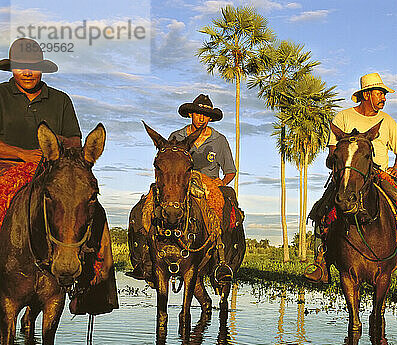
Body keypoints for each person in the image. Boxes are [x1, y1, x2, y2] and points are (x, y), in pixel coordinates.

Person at [0, 38, 118, 314]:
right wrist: (23, 154)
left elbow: (75, 142)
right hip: (5, 169)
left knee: (92, 209)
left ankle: (92, 287)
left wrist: (54, 150)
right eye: (20, 67)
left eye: (33, 67)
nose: (27, 73)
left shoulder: (60, 100)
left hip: (53, 170)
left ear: (41, 69)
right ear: (12, 69)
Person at [305, 72, 397, 284]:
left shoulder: (387, 121)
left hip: (380, 174)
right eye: (379, 93)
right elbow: (332, 152)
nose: (384, 97)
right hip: (348, 177)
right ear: (366, 95)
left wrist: (395, 167)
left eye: (384, 94)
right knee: (323, 209)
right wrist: (339, 165)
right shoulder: (343, 118)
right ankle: (320, 261)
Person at [127, 94, 237, 283]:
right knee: (142, 209)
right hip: (176, 184)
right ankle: (144, 260)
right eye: (197, 114)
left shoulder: (219, 140)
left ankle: (221, 262)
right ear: (191, 115)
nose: (201, 118)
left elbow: (230, 171)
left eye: (205, 115)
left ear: (210, 118)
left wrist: (221, 183)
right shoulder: (176, 136)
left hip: (207, 183)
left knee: (223, 211)